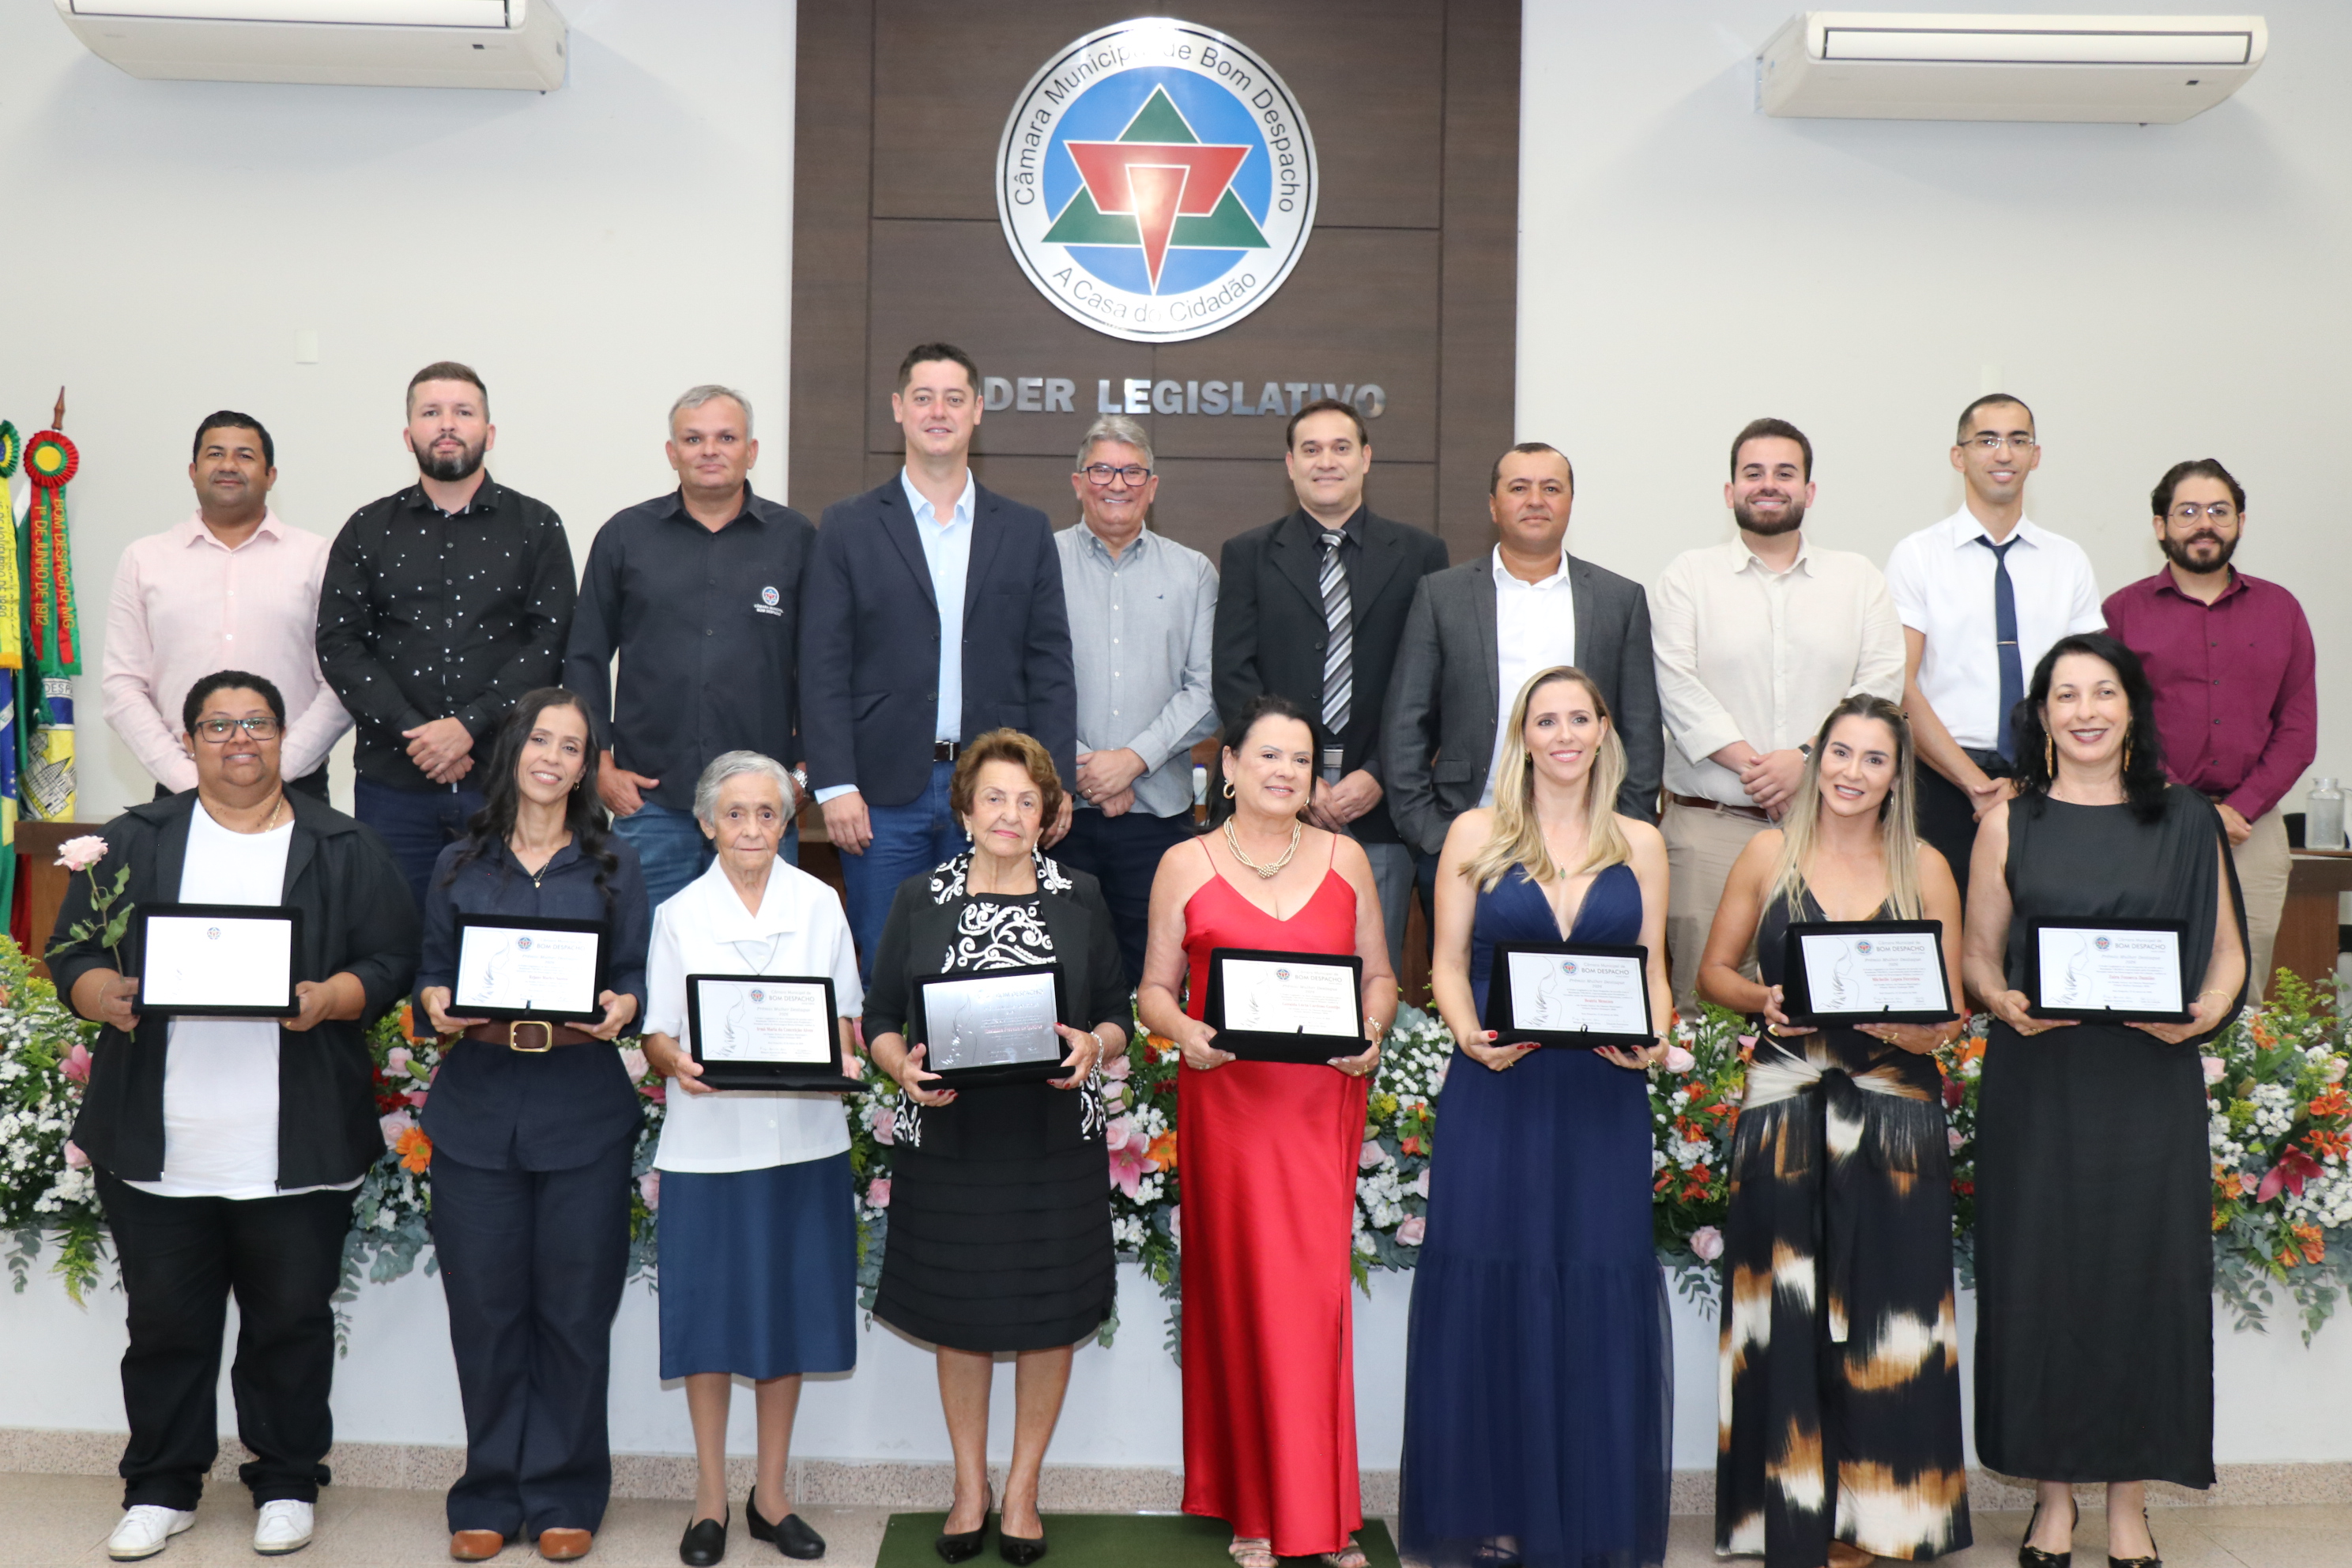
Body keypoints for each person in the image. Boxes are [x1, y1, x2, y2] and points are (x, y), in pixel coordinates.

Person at [51, 670, 416, 1562]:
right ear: (190, 742)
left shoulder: (342, 843)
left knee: (289, 1322)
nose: (238, 738)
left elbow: (393, 956)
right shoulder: (134, 839)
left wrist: (334, 994)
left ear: (285, 736)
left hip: (296, 1141)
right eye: (218, 725)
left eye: (256, 722)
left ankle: (287, 1478)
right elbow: (74, 952)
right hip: (159, 1140)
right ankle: (161, 1486)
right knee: (165, 1326)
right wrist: (107, 995)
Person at [1962, 633, 2245, 1566]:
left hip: (2147, 1081)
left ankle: (2127, 1501)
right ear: (2041, 716)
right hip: (2040, 1082)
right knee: (2039, 1277)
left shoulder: (2191, 819)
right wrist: (2001, 999)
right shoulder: (2011, 821)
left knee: (2140, 1279)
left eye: (2103, 693)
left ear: (2132, 709)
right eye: (2065, 695)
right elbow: (1979, 952)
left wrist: (2202, 1016)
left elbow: (2230, 956)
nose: (2084, 710)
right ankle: (2053, 1499)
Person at [1398, 666, 1672, 1568]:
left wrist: (1655, 1036)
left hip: (1600, 1095)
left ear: (1603, 730)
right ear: (1522, 735)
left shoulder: (1641, 841)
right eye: (1544, 720)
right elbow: (1443, 962)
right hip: (1497, 1086)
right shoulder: (1475, 834)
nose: (1562, 734)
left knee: (1593, 1280)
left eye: (1578, 718)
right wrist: (1467, 1032)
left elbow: (1654, 972)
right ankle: (1496, 1510)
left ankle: (1585, 1516)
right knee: (1495, 1288)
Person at [1697, 695, 1970, 1568]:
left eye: (1875, 759)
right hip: (1787, 1107)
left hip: (1895, 1114)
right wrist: (1762, 998)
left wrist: (1924, 1030)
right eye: (1840, 754)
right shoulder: (1767, 852)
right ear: (1816, 761)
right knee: (1788, 1312)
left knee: (1892, 1313)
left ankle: (1890, 1517)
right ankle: (1785, 1515)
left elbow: (1952, 1008)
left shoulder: (1927, 866)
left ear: (1899, 776)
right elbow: (1713, 972)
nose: (1853, 773)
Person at [1137, 693, 1398, 1568]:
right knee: (1244, 1297)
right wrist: (1184, 1034)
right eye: (1269, 757)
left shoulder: (1348, 857)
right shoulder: (1185, 861)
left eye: (1301, 760)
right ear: (1233, 766)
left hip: (1320, 1102)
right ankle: (1254, 1507)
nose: (1286, 772)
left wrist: (1371, 1034)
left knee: (1313, 1306)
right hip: (1230, 1104)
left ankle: (1320, 1512)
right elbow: (1153, 992)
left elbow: (1381, 978)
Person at [860, 729, 1128, 1566]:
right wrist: (897, 1061)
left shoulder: (1082, 894)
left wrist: (1097, 1045)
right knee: (960, 1315)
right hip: (950, 1138)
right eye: (994, 798)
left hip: (1053, 1142)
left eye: (1027, 799)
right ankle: (969, 1486)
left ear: (1049, 813)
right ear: (966, 810)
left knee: (1050, 1315)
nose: (1010, 813)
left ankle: (1022, 1489)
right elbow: (877, 1020)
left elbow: (1117, 1012)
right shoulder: (918, 897)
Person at [413, 688, 650, 1563]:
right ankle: (487, 1491)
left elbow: (634, 976)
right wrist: (433, 999)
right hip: (476, 1111)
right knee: (484, 1310)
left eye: (573, 745)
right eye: (541, 738)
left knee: (575, 1313)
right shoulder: (456, 862)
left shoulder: (616, 863)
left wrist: (627, 1002)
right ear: (514, 748)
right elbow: (430, 972)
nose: (553, 756)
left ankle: (563, 1492)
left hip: (582, 1109)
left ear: (588, 767)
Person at [638, 752, 858, 1566]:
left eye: (768, 813)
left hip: (804, 1141)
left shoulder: (819, 904)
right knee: (707, 1320)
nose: (754, 829)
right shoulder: (679, 913)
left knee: (788, 1318)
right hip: (708, 1143)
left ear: (787, 820)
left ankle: (772, 1495)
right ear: (706, 824)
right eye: (736, 814)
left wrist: (840, 1053)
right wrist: (674, 1062)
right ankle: (708, 1498)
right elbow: (658, 1031)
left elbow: (845, 1018)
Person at [801, 343, 1076, 982]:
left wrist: (1052, 781)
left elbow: (1051, 666)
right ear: (898, 409)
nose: (938, 412)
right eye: (923, 398)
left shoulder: (1025, 528)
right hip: (879, 793)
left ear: (978, 411)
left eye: (954, 399)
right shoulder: (848, 526)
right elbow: (822, 664)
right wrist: (835, 785)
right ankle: (888, 1083)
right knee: (885, 954)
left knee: (996, 956)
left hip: (996, 792)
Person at [1651, 419, 1905, 1010]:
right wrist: (1763, 772)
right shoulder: (1688, 576)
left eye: (1785, 473)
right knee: (1703, 1011)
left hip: (1833, 832)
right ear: (1730, 490)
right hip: (1710, 829)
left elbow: (1882, 682)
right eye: (1753, 473)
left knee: (1833, 1002)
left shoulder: (1858, 579)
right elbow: (1676, 685)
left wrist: (1808, 762)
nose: (1769, 485)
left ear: (1810, 491)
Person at [318, 360, 577, 909]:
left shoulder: (537, 526)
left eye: (463, 411)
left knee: (503, 943)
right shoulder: (368, 528)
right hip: (394, 784)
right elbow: (339, 644)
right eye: (431, 412)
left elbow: (549, 641)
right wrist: (420, 734)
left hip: (506, 782)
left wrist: (468, 726)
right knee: (394, 941)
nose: (447, 424)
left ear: (490, 431)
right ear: (408, 434)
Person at [1385, 441, 1662, 948]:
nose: (1536, 500)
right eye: (1519, 488)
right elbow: (1406, 722)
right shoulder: (1442, 595)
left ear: (1571, 503)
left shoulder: (1619, 599)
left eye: (1551, 488)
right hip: (1468, 837)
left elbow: (1640, 730)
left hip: (1592, 846)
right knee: (1465, 987)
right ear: (1494, 505)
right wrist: (1430, 833)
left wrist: (1627, 829)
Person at [564, 386, 819, 913]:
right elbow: (585, 656)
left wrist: (804, 773)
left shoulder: (797, 540)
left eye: (726, 437)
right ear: (671, 452)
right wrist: (600, 765)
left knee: (765, 965)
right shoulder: (624, 537)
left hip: (760, 809)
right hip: (651, 803)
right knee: (646, 965)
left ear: (751, 451)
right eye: (694, 438)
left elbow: (825, 666)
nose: (710, 450)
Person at [1213, 398, 1449, 968]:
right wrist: (1301, 776)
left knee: (1373, 974)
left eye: (1341, 447)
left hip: (1382, 808)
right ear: (1290, 463)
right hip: (1276, 802)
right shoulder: (1247, 554)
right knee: (1270, 965)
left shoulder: (1421, 554)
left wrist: (1381, 774)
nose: (1327, 461)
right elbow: (1234, 677)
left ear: (1365, 459)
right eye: (1310, 449)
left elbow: (1436, 684)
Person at [2102, 458, 2314, 1002]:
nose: (2205, 524)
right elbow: (2107, 726)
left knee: (2244, 987)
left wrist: (2241, 809)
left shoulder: (2281, 610)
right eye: (2188, 511)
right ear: (2160, 526)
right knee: (2147, 978)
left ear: (2240, 521)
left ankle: (2241, 1090)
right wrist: (2180, 803)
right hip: (2148, 818)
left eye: (2220, 511)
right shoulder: (2121, 613)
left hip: (2253, 826)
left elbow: (2297, 729)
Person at [1881, 394, 2101, 879]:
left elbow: (2091, 686)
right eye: (1987, 440)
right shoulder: (1917, 556)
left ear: (2035, 456)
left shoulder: (2068, 561)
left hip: (2048, 783)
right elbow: (1901, 685)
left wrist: (2028, 780)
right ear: (1958, 456)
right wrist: (1977, 784)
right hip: (1940, 782)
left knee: (2039, 941)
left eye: (2018, 440)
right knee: (1944, 939)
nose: (2004, 453)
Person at [103, 413, 351, 801]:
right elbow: (123, 686)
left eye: (245, 455)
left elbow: (341, 680)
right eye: (215, 453)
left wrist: (279, 767)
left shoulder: (319, 558)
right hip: (182, 786)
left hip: (294, 786)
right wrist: (186, 778)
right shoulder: (144, 559)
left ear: (270, 475)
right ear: (193, 470)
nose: (228, 465)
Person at [1050, 413, 1217, 985]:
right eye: (1101, 469)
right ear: (1078, 481)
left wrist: (1131, 761)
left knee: (1155, 976)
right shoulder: (1038, 563)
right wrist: (1084, 766)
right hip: (1056, 815)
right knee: (1062, 973)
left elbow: (1208, 690)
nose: (1116, 484)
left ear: (1152, 486)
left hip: (1156, 819)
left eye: (1131, 472)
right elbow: (1020, 680)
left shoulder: (1194, 571)